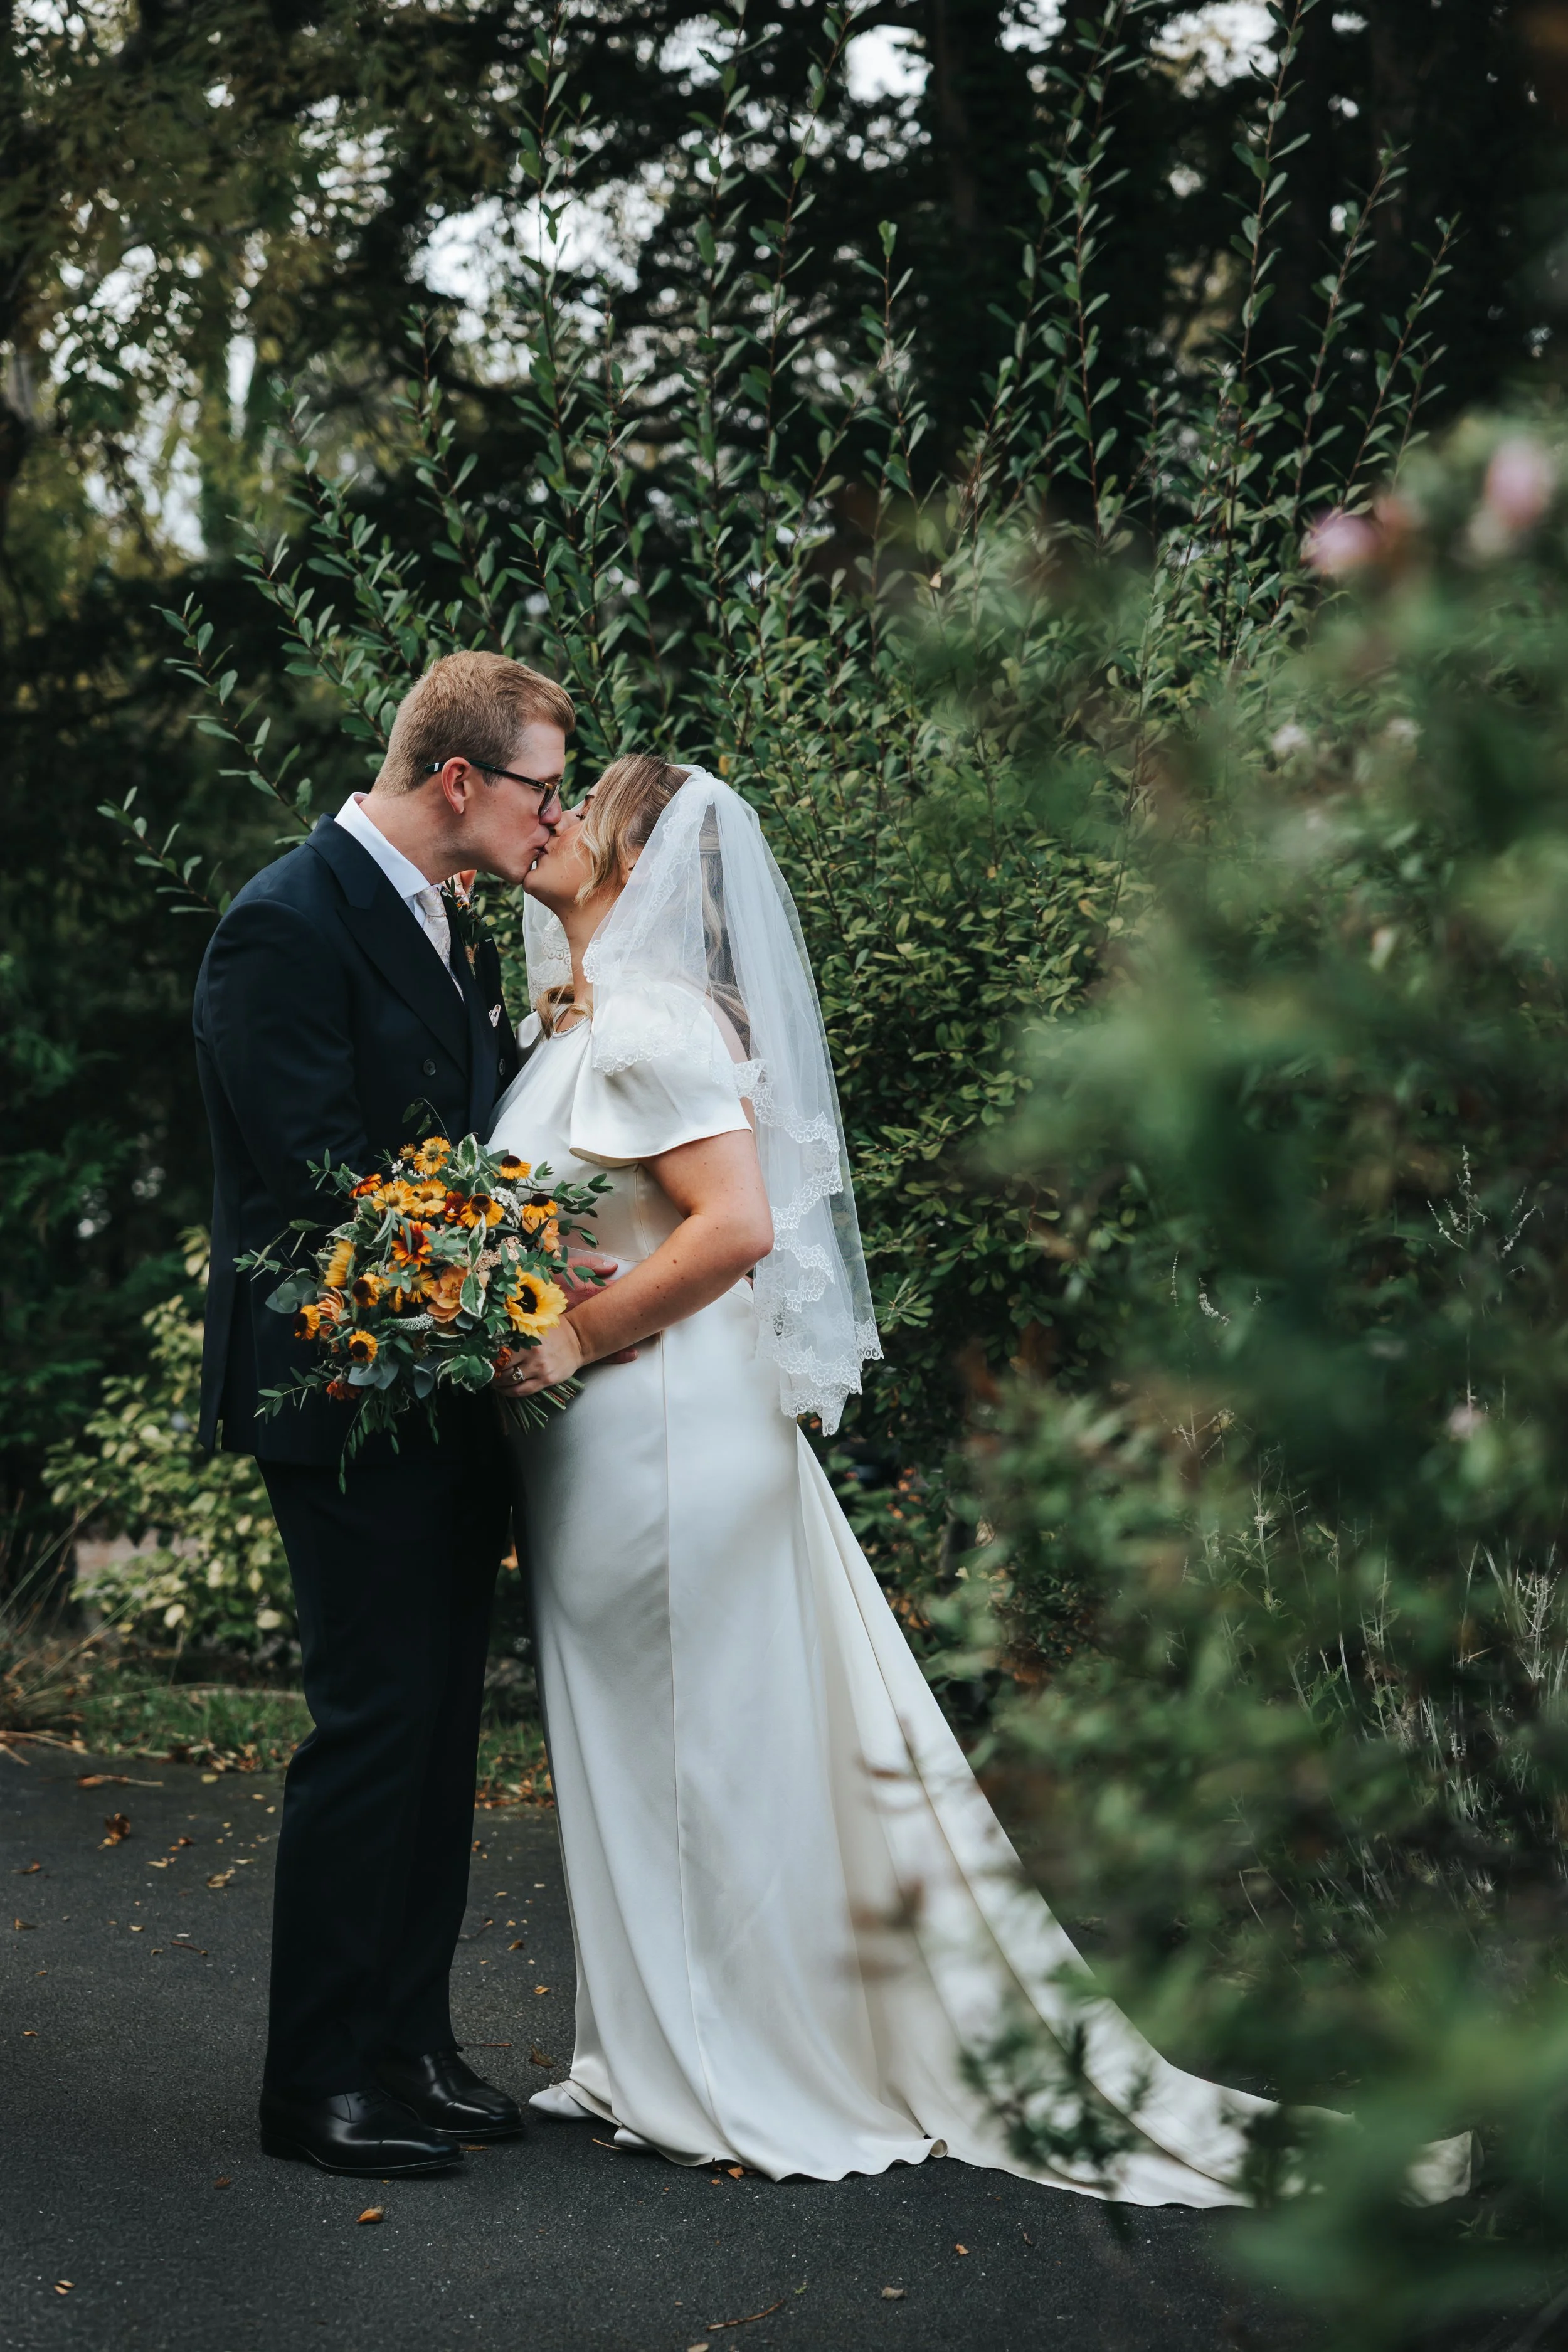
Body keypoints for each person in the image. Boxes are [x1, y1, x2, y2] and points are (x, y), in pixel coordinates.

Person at [489, 756, 1473, 2204]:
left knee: (697, 1739)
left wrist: (572, 1329)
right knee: (649, 1739)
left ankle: (723, 2063)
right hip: (615, 1440)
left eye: (590, 811)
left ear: (645, 865)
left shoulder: (647, 1017)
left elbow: (737, 1227)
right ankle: (650, 2050)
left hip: (658, 1441)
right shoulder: (581, 1019)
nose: (558, 821)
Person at [194, 650, 585, 2178]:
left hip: (444, 1392)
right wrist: (517, 1288)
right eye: (544, 787)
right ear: (459, 782)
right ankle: (317, 2082)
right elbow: (321, 1191)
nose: (555, 818)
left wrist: (529, 1269)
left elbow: (466, 1154)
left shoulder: (449, 926)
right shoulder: (282, 924)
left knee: (432, 1739)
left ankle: (408, 2044)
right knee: (370, 1731)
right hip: (340, 1392)